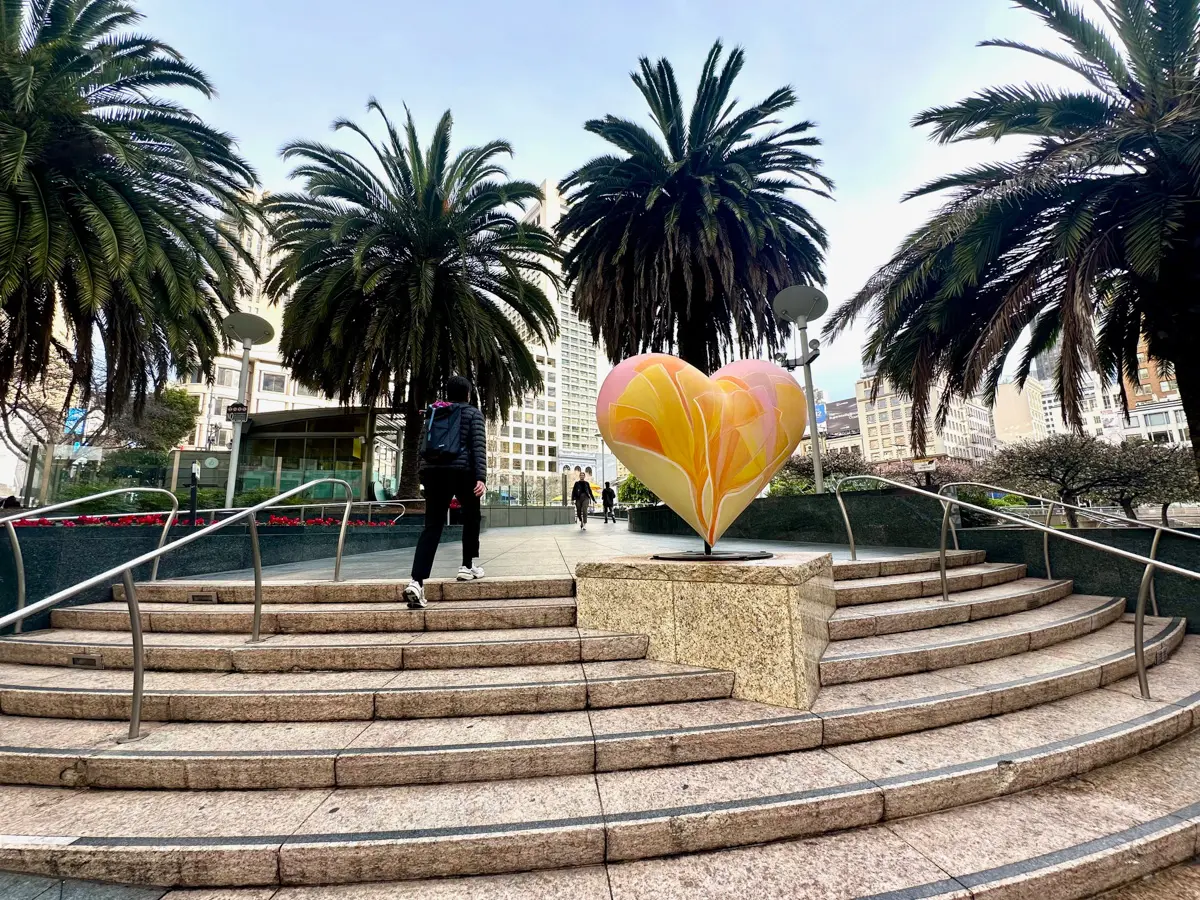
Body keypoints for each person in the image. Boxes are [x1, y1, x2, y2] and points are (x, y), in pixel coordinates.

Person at [404, 375, 486, 609]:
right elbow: (478, 446)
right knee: (471, 516)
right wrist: (481, 477)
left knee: (432, 526)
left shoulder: (434, 412)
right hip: (463, 472)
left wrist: (423, 476)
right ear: (468, 394)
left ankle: (416, 582)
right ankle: (467, 565)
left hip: (433, 474)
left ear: (448, 393)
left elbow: (423, 445)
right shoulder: (472, 413)